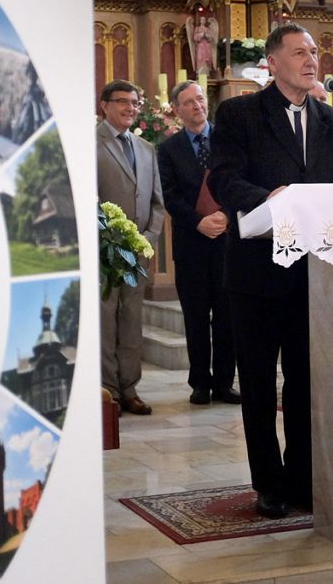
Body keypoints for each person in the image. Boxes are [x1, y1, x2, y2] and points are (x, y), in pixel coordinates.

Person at [208, 24, 333, 519]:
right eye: (299, 52)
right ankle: (268, 484)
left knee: (305, 382)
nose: (311, 59)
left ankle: (301, 477)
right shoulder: (240, 114)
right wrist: (268, 199)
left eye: (313, 51)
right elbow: (224, 178)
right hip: (256, 272)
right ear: (272, 63)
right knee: (257, 383)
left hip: (316, 276)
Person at [157, 81, 239, 407]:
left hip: (227, 242)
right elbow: (169, 195)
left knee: (227, 316)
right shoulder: (168, 149)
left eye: (200, 99)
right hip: (191, 244)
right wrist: (197, 221)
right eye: (189, 102)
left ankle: (225, 383)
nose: (197, 105)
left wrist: (226, 215)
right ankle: (200, 383)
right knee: (195, 317)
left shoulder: (228, 140)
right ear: (177, 110)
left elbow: (239, 181)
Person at [96, 80, 165, 415]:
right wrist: (106, 239)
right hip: (104, 253)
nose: (130, 108)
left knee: (132, 321)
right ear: (105, 105)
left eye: (135, 103)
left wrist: (147, 239)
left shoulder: (146, 148)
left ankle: (129, 388)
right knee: (106, 321)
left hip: (137, 253)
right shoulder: (89, 144)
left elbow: (157, 203)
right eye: (123, 101)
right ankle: (108, 390)